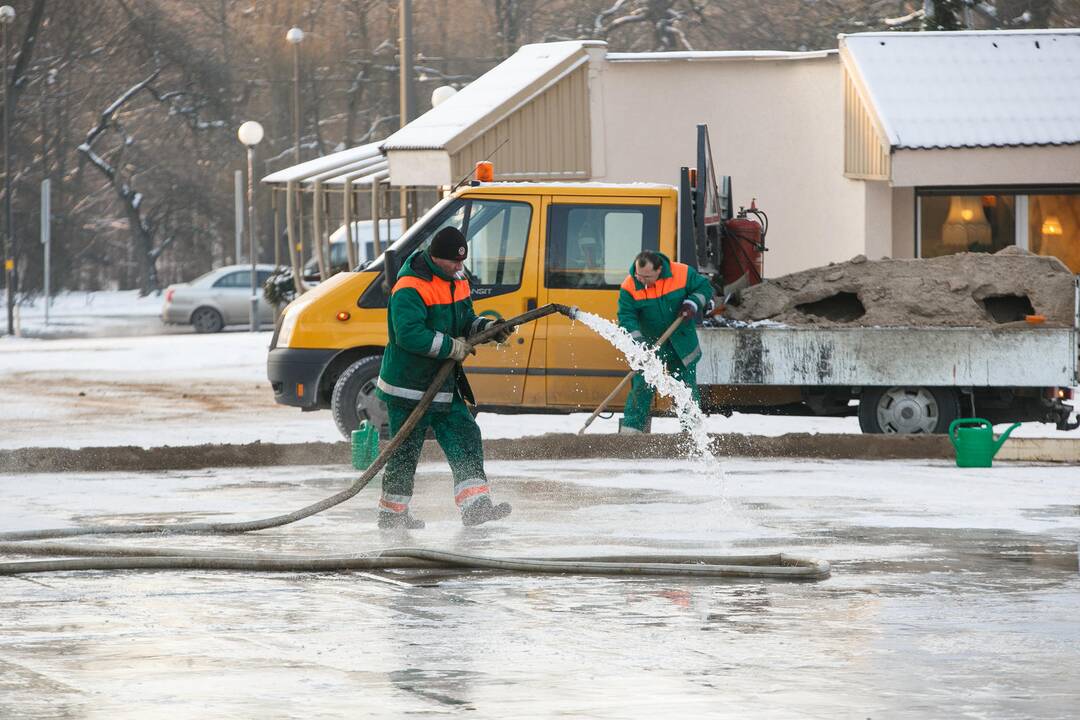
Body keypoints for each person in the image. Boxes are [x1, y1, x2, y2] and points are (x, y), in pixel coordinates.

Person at [374, 226, 515, 529]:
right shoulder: (410, 286)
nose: (459, 267)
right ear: (436, 258)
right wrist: (452, 347)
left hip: (443, 382)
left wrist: (489, 329)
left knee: (465, 434)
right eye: (453, 262)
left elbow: (464, 321)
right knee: (405, 450)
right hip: (408, 386)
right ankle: (392, 514)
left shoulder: (458, 280)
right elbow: (408, 334)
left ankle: (475, 506)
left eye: (461, 261)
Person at [617, 250, 714, 434]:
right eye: (638, 275)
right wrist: (639, 344)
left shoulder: (682, 273)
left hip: (681, 344)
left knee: (686, 389)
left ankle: (692, 434)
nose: (642, 280)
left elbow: (704, 288)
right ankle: (631, 433)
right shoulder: (630, 286)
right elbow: (626, 317)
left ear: (659, 269)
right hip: (650, 346)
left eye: (647, 276)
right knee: (642, 387)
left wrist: (693, 303)